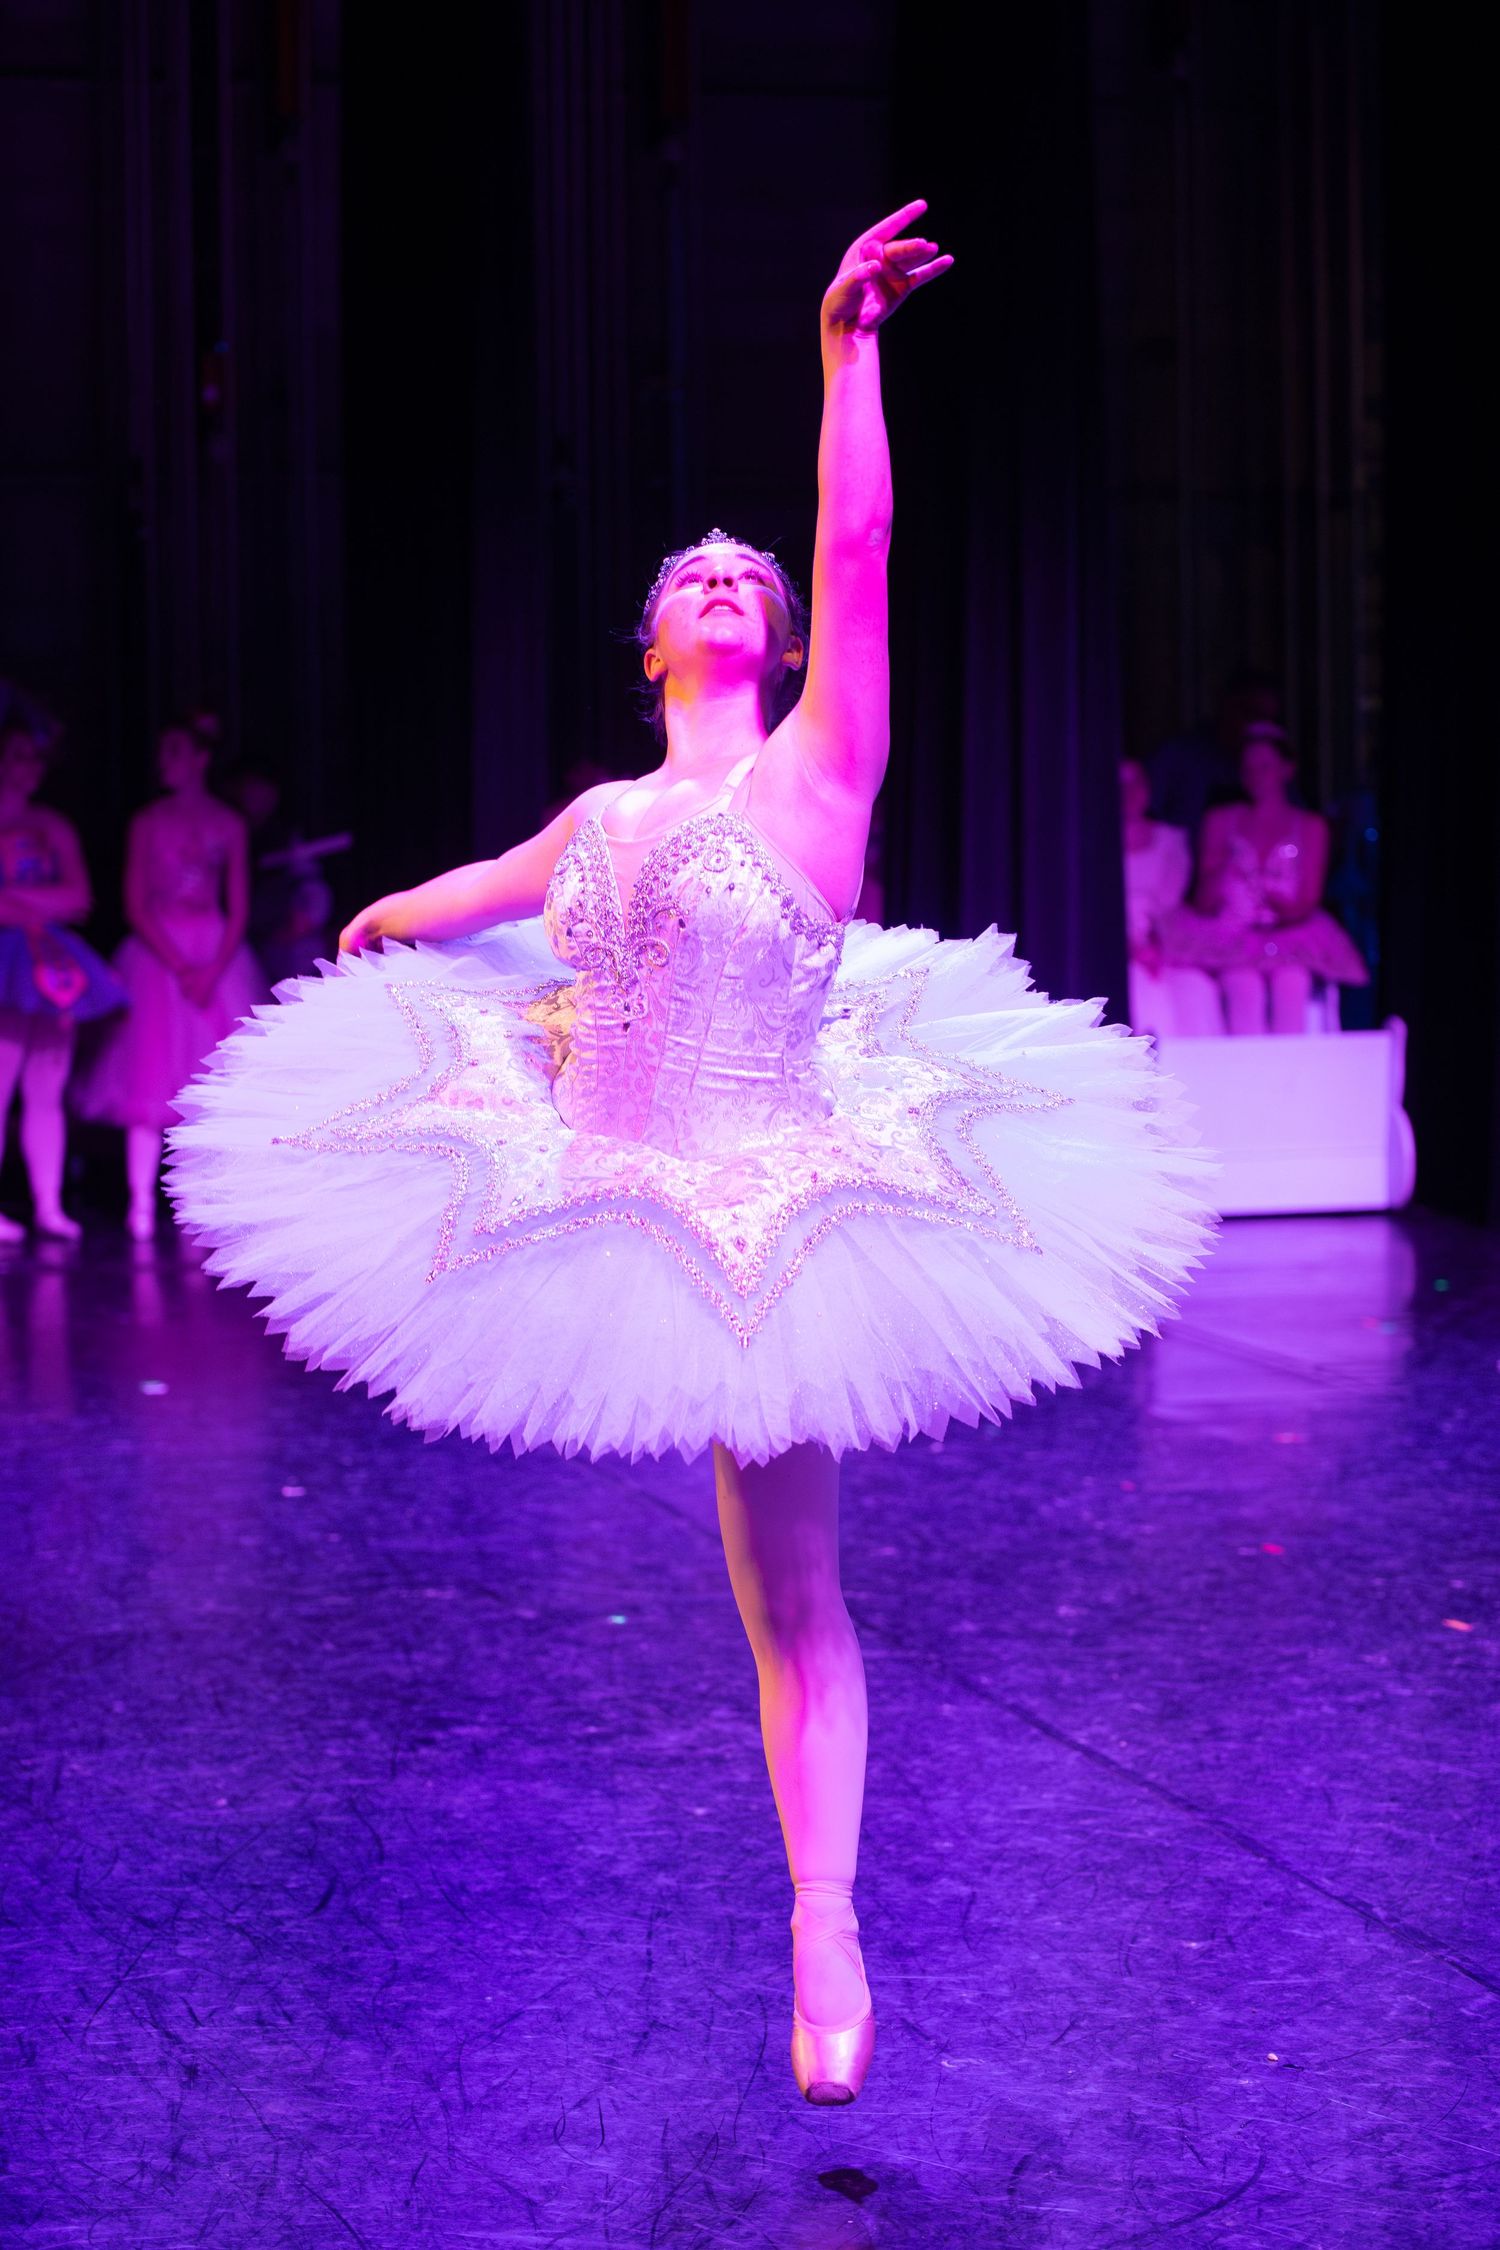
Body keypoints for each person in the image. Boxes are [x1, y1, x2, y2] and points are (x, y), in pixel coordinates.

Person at [167, 207, 1213, 2106]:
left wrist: (846, 355)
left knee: (795, 1598)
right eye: (695, 575)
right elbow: (478, 890)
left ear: (783, 639)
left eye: (751, 576)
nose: (729, 578)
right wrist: (382, 922)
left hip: (771, 1207)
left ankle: (825, 1919)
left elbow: (859, 543)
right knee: (754, 1594)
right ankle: (815, 1908)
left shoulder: (820, 767)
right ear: (650, 642)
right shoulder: (599, 814)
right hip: (599, 1169)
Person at [78, 717, 263, 1239]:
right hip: (158, 957)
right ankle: (140, 1202)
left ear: (201, 759)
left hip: (216, 954)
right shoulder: (147, 822)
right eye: (163, 752)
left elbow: (238, 907)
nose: (166, 762)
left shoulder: (229, 823)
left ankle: (204, 1200)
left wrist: (211, 969)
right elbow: (135, 904)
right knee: (148, 1076)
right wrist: (180, 967)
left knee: (211, 1083)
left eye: (177, 751)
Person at [1159, 722, 1370, 1033]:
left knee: (1292, 983)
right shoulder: (1222, 820)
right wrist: (1226, 868)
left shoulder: (1310, 826)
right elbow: (1203, 902)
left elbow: (1308, 900)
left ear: (1286, 769)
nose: (1256, 775)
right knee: (1242, 986)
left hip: (1289, 934)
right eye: (1249, 768)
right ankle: (1246, 1063)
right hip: (1231, 932)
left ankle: (1290, 1063)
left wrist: (1279, 907)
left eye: (1265, 767)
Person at [0, 724, 125, 1241]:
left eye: (36, 757)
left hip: (52, 960)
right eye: (19, 755)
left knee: (47, 1085)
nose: (31, 766)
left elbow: (78, 896)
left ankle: (48, 1204)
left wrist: (17, 901)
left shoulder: (52, 824)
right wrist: (32, 905)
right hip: (7, 960)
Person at [1119, 758, 1222, 1036]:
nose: (1129, 793)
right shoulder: (1092, 843)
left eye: (1136, 784)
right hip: (1116, 942)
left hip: (1164, 939)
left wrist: (1152, 944)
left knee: (1196, 987)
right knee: (1138, 984)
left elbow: (1169, 902)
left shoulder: (1170, 840)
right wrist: (1131, 946)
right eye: (1121, 785)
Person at [1147, 668, 1283, 842]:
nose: (1256, 725)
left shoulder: (1275, 767)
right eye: (1250, 713)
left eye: (1266, 719)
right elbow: (1142, 817)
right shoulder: (1176, 757)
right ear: (1225, 705)